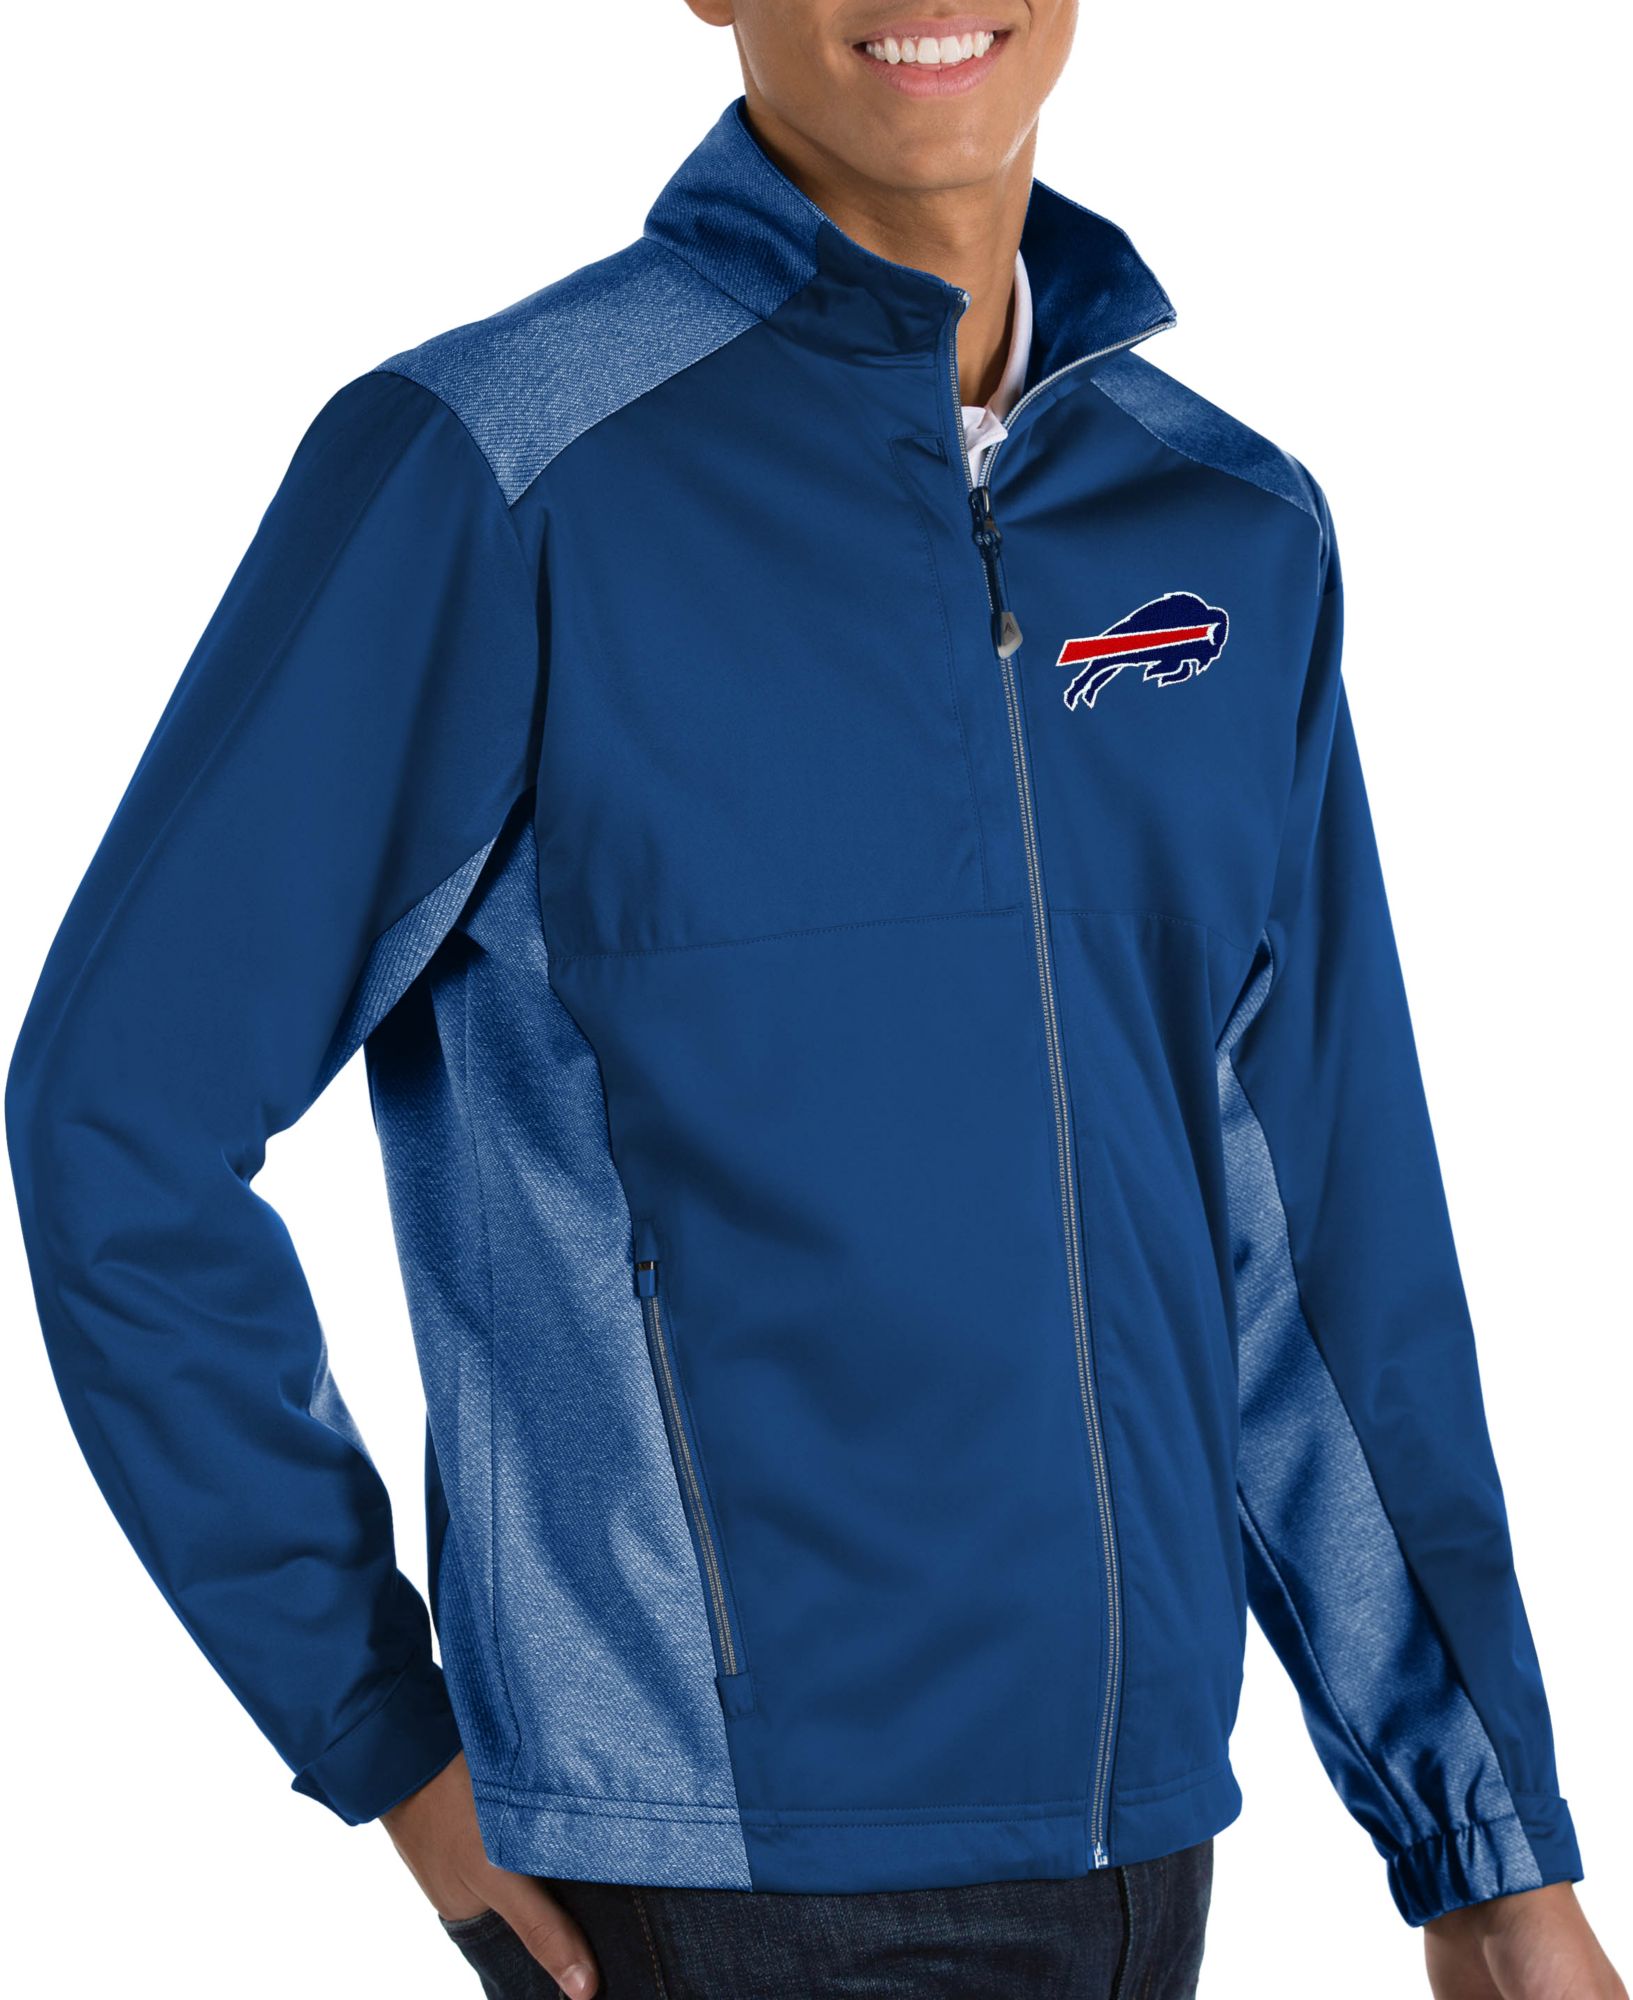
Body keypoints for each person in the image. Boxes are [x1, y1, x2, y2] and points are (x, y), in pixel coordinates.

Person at [7, 4, 1625, 1996]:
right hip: (707, 1872)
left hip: (1138, 1846)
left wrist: (1482, 1847)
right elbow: (119, 1118)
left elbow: (1315, 1241)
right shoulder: (502, 471)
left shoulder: (1227, 524)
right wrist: (381, 1730)